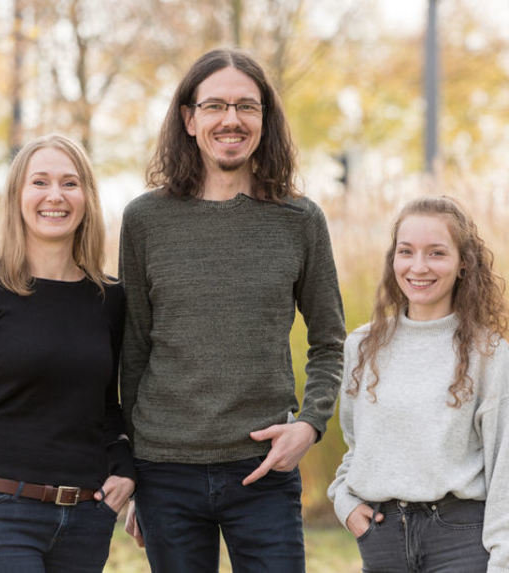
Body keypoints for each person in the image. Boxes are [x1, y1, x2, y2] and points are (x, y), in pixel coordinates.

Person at [118, 48, 346, 572]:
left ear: (264, 121)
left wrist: (309, 425)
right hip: (165, 471)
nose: (231, 119)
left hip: (264, 467)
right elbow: (132, 351)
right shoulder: (144, 220)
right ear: (189, 117)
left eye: (247, 106)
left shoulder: (299, 220)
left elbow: (330, 341)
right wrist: (133, 474)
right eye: (216, 105)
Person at [0, 134, 135, 573]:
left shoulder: (111, 297)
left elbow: (107, 406)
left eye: (70, 183)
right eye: (39, 182)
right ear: (17, 196)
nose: (55, 196)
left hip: (85, 517)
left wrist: (127, 468)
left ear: (87, 198)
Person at [327, 195, 509, 572]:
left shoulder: (487, 352)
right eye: (406, 251)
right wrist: (344, 501)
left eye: (436, 253)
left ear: (463, 264)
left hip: (460, 540)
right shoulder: (362, 346)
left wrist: (508, 564)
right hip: (382, 540)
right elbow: (358, 447)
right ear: (394, 259)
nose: (418, 267)